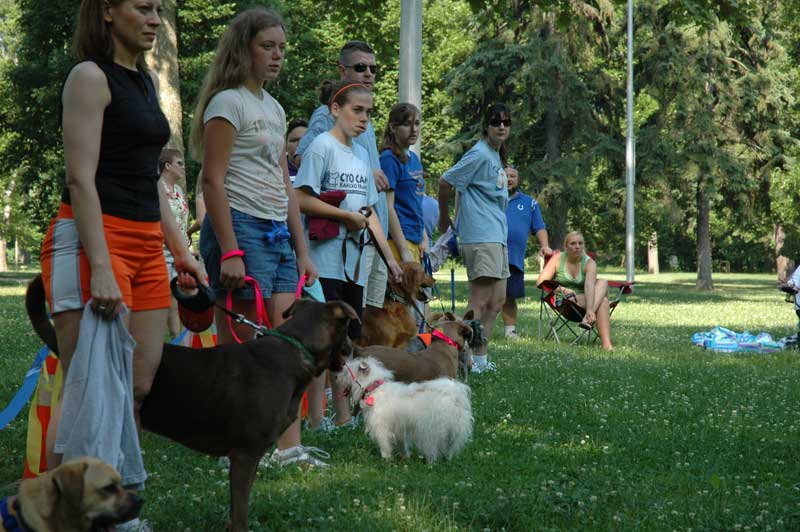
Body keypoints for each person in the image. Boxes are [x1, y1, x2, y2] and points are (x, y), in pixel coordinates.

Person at [38, 1, 205, 529]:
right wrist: (102, 266)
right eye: (143, 7)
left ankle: (111, 505)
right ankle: (58, 515)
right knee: (89, 387)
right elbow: (81, 180)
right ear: (108, 12)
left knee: (135, 385)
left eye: (158, 8)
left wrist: (179, 249)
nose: (154, 18)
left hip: (144, 245)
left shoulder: (144, 82)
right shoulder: (89, 77)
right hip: (92, 241)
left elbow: (149, 177)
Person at [189, 8, 323, 468]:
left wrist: (302, 249)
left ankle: (289, 449)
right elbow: (212, 179)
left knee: (291, 343)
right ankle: (235, 448)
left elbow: (284, 184)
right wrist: (229, 249)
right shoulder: (227, 103)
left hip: (277, 232)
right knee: (245, 347)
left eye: (282, 47)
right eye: (268, 46)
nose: (277, 55)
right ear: (243, 48)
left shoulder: (274, 107)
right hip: (240, 228)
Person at [294, 80, 401, 429]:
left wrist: (392, 259)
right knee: (319, 342)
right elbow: (300, 199)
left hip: (355, 263)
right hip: (324, 260)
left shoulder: (361, 158)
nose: (364, 119)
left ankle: (342, 419)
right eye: (357, 110)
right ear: (335, 110)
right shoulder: (321, 148)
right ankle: (314, 418)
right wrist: (344, 217)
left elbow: (369, 214)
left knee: (347, 343)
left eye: (369, 113)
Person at [294, 40, 394, 317]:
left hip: (365, 238)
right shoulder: (326, 117)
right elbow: (302, 160)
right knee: (329, 327)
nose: (369, 73)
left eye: (373, 68)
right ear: (342, 70)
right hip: (330, 245)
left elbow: (373, 202)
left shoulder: (364, 129)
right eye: (360, 67)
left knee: (363, 322)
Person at [438, 103, 512, 373]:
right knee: (479, 302)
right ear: (486, 126)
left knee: (497, 301)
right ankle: (461, 358)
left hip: (497, 235)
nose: (501, 126)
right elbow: (446, 181)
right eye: (495, 122)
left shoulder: (494, 155)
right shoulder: (479, 154)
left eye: (506, 122)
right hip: (481, 236)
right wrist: (444, 218)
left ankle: (480, 361)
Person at [536, 231, 614, 350]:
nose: (577, 246)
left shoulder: (589, 263)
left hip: (585, 302)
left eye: (580, 243)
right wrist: (561, 289)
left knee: (603, 284)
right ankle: (591, 320)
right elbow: (540, 282)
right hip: (564, 302)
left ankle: (606, 344)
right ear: (565, 246)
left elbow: (589, 286)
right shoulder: (558, 259)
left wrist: (589, 309)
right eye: (573, 243)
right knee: (602, 301)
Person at [501, 165, 552, 338]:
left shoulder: (529, 202)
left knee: (509, 296)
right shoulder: (491, 198)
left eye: (513, 176)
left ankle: (510, 331)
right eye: (506, 175)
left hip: (514, 257)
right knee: (488, 294)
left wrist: (544, 246)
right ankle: (481, 329)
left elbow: (539, 227)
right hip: (491, 254)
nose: (509, 179)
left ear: (518, 179)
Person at [379, 103, 427, 263]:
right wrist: (404, 251)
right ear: (393, 127)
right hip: (398, 242)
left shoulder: (414, 159)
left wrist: (424, 237)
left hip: (415, 240)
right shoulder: (389, 159)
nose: (414, 130)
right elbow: (388, 207)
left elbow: (416, 204)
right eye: (407, 124)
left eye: (417, 124)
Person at [158, 148, 192, 338]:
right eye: (179, 163)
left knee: (182, 293)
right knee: (167, 296)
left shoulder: (178, 190)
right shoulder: (157, 188)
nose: (183, 167)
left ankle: (179, 337)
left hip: (180, 249)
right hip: (162, 249)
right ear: (167, 165)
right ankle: (170, 337)